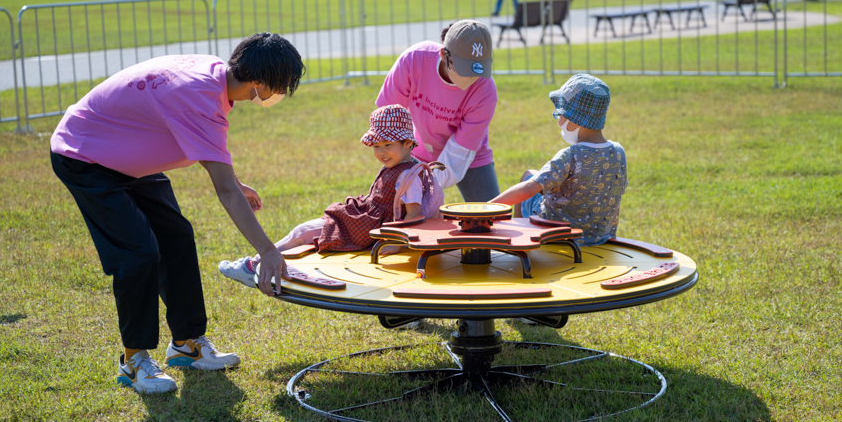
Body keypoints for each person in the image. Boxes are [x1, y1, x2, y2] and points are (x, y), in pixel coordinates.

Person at [50, 32, 306, 394]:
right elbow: (224, 191)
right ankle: (133, 361)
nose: (275, 94)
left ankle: (187, 344)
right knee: (138, 254)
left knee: (177, 238)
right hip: (84, 154)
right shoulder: (199, 98)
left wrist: (236, 180)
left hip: (124, 156)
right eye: (279, 86)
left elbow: (207, 155)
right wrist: (268, 250)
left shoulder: (214, 75)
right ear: (261, 83)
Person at [218, 105, 444, 287]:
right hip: (364, 220)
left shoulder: (409, 175)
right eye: (376, 146)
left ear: (407, 143)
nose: (381, 152)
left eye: (388, 144)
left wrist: (396, 244)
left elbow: (414, 215)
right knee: (303, 232)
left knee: (303, 232)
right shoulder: (401, 164)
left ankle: (254, 265)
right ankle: (259, 261)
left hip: (367, 229)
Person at [490, 74, 627, 246]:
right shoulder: (619, 152)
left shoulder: (571, 156)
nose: (559, 120)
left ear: (575, 120)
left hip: (556, 233)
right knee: (535, 176)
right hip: (598, 236)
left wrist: (488, 206)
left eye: (560, 114)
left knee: (527, 176)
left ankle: (520, 243)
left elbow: (527, 189)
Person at [376, 20, 500, 203]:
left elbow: (459, 152)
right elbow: (387, 119)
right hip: (414, 151)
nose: (472, 78)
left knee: (492, 220)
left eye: (478, 70)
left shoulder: (486, 91)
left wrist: (430, 183)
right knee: (395, 213)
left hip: (469, 156)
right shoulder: (414, 60)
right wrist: (400, 167)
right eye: (465, 69)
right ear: (444, 55)